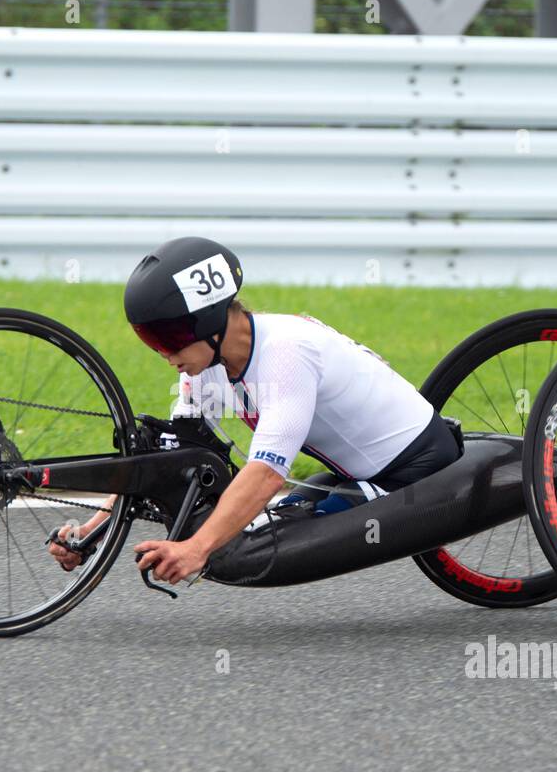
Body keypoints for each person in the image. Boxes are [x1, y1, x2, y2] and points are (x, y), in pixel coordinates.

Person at [47, 236, 460, 583]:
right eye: (151, 340)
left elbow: (265, 473)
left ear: (207, 322)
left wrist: (194, 548)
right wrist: (89, 533)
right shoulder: (205, 367)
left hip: (413, 467)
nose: (163, 354)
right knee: (252, 526)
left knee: (268, 536)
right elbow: (166, 456)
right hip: (353, 469)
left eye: (168, 338)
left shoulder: (284, 356)